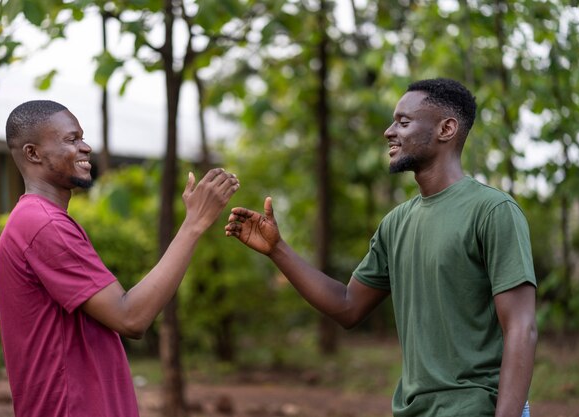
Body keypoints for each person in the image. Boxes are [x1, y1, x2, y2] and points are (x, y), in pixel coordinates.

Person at [225, 78, 537, 417]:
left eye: (404, 122)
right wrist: (278, 249)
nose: (390, 131)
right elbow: (348, 306)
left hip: (476, 408)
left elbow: (521, 327)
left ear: (446, 129)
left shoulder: (493, 211)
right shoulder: (396, 223)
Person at [0, 100, 240, 417]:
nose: (85, 147)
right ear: (33, 153)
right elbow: (131, 317)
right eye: (71, 139)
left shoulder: (39, 219)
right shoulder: (44, 225)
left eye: (82, 137)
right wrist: (194, 224)